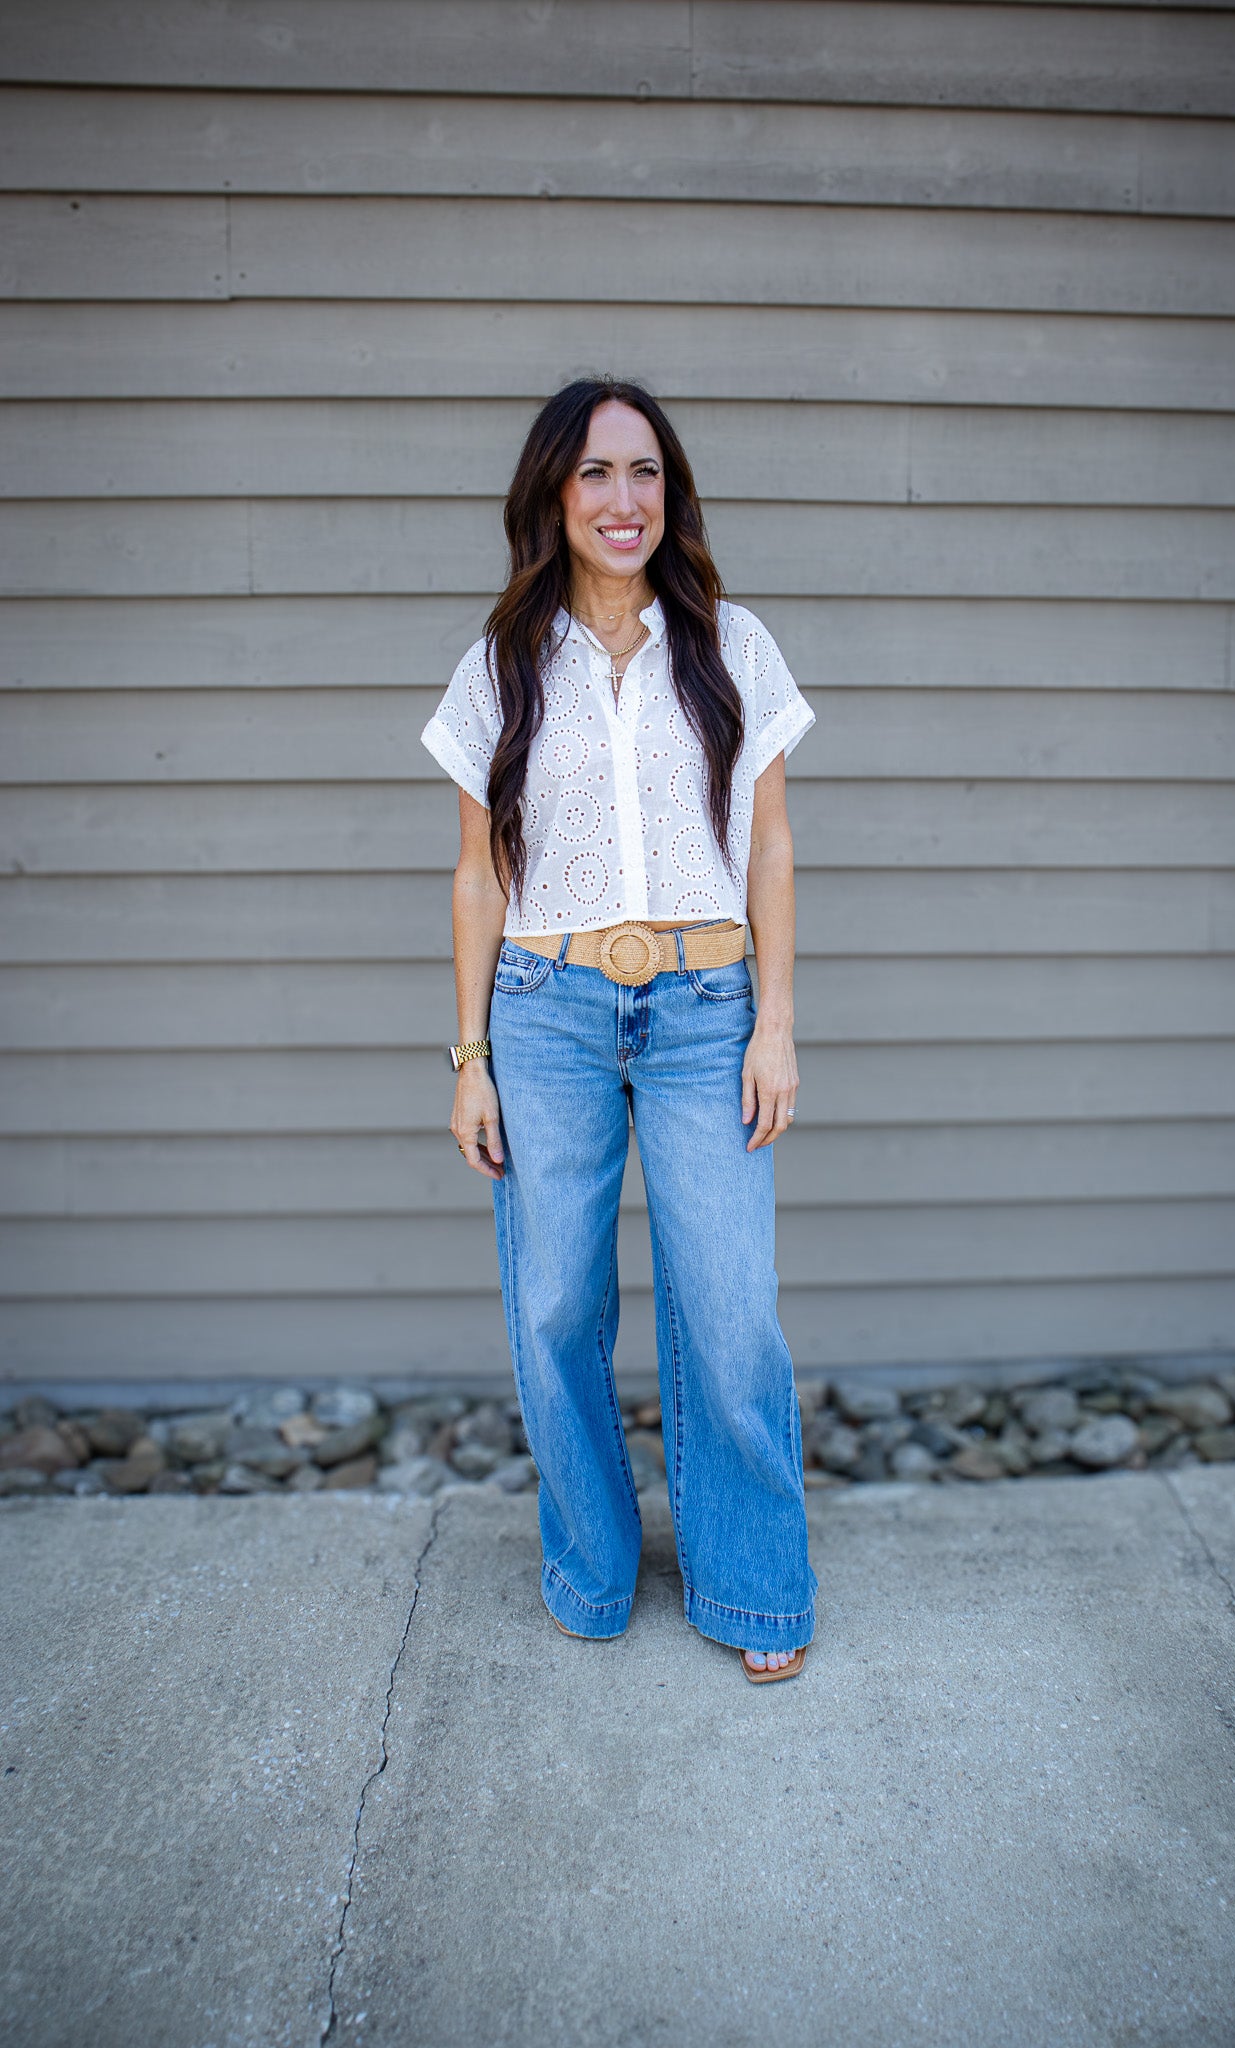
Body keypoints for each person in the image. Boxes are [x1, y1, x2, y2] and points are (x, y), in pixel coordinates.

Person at [420, 375, 818, 1683]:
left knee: (733, 1310)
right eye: (594, 472)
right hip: (546, 1012)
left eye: (643, 471)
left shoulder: (732, 645)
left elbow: (769, 848)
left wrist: (775, 1024)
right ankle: (591, 1565)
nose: (621, 498)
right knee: (553, 1304)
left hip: (707, 1009)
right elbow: (479, 873)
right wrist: (469, 1057)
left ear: (670, 492)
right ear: (553, 494)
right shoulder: (499, 667)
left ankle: (751, 1585)